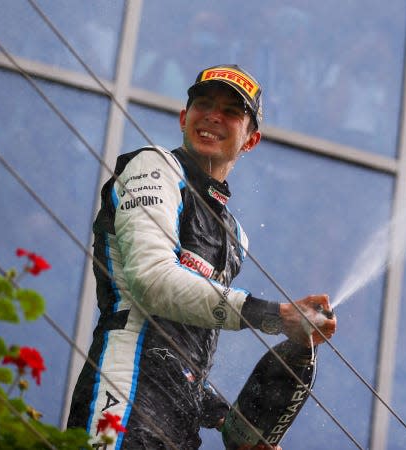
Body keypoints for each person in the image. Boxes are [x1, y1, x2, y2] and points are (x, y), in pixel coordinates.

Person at [67, 64, 337, 449]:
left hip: (179, 423)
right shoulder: (155, 166)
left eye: (231, 111)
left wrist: (229, 420)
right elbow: (152, 282)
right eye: (203, 104)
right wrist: (276, 316)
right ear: (183, 117)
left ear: (250, 140)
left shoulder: (234, 236)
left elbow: (185, 350)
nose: (213, 115)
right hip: (122, 393)